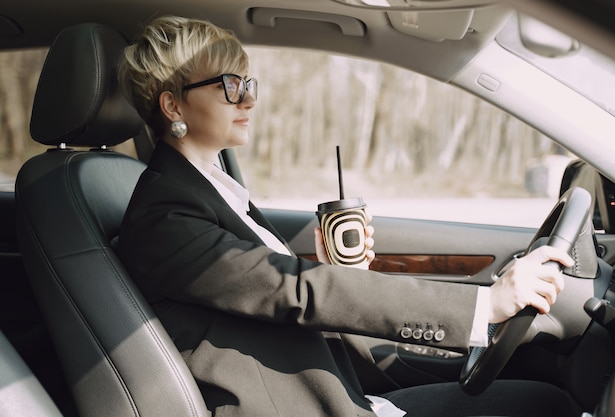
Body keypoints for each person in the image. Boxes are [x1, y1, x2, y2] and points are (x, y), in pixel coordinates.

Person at [116, 15, 582, 417]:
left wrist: (334, 272)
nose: (249, 99)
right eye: (230, 86)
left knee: (544, 399)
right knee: (547, 405)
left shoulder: (212, 188)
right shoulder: (165, 213)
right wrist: (486, 305)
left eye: (249, 83)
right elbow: (291, 288)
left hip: (342, 395)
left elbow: (269, 295)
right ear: (173, 104)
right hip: (301, 407)